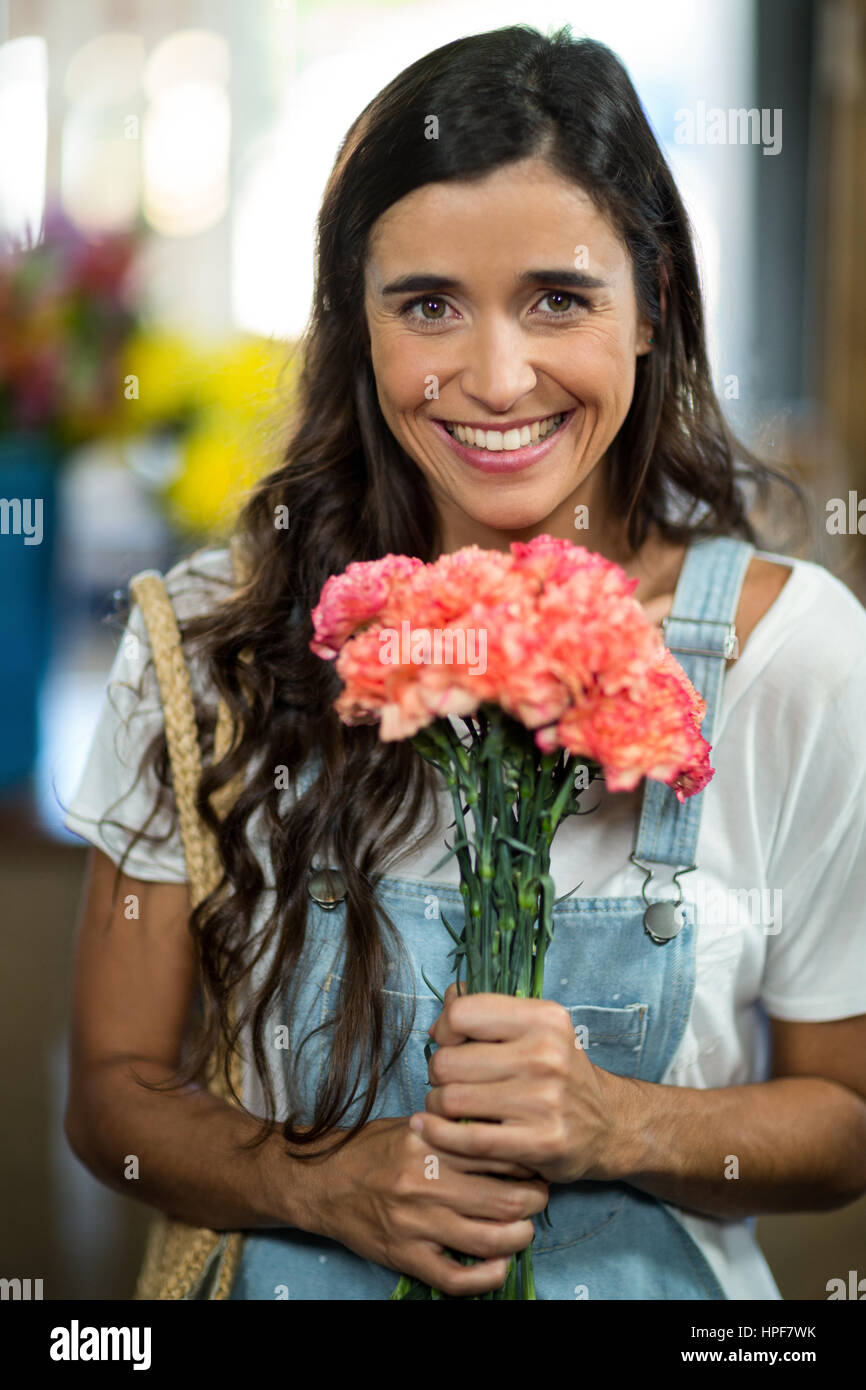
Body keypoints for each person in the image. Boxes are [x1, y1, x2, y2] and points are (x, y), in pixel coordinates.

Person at [62, 24, 866, 1301]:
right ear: (355, 326)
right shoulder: (208, 641)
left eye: (559, 297)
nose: (496, 379)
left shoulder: (798, 655)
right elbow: (109, 1098)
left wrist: (617, 1123)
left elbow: (842, 1121)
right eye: (427, 304)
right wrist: (313, 1180)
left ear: (652, 308)